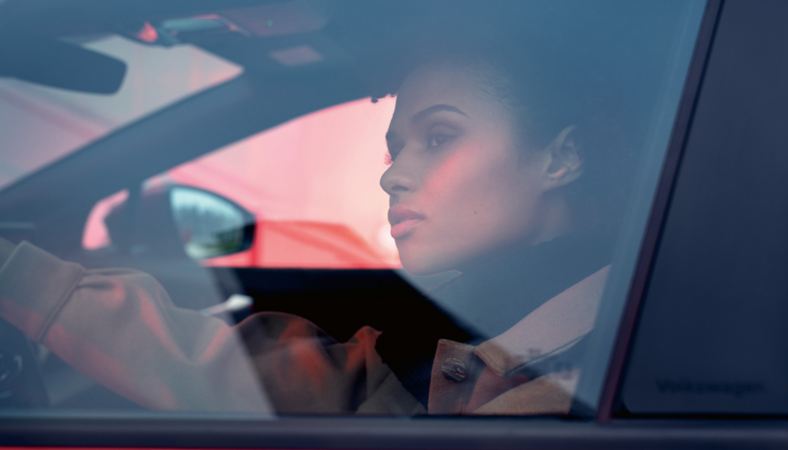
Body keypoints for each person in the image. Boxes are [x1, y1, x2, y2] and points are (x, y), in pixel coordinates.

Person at [0, 37, 633, 415]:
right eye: (395, 150)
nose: (392, 177)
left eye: (439, 137)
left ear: (560, 159)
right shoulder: (468, 332)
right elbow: (272, 384)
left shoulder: (581, 368)